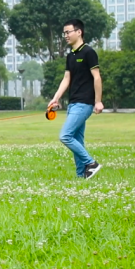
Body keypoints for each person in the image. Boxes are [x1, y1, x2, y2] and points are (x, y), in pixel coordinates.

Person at [47, 19, 103, 179]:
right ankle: (82, 175)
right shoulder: (71, 55)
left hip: (84, 103)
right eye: (64, 33)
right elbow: (66, 79)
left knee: (65, 136)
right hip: (73, 103)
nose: (65, 36)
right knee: (77, 139)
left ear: (79, 32)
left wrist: (98, 101)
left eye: (68, 32)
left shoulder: (89, 52)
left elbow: (97, 78)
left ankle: (91, 163)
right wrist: (55, 98)